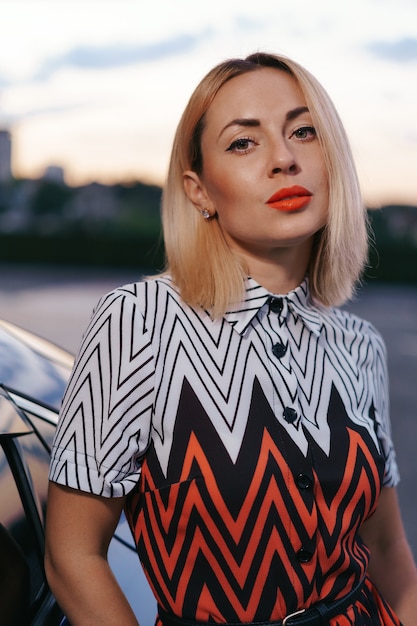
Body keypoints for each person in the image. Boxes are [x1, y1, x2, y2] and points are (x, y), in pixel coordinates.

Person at [45, 52, 417, 626]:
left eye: (304, 131)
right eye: (244, 142)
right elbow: (73, 556)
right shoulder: (137, 322)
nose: (284, 159)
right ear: (199, 192)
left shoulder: (360, 343)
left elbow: (389, 550)